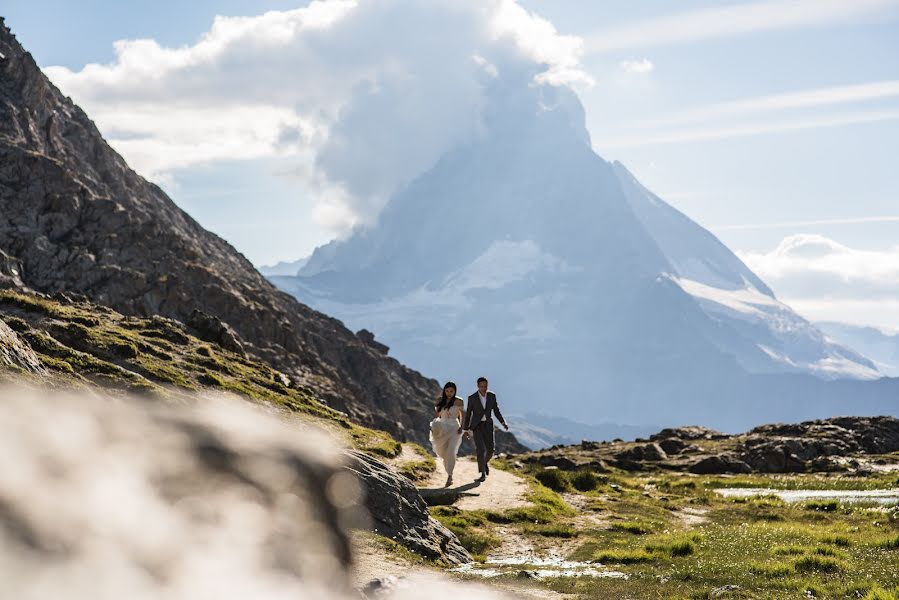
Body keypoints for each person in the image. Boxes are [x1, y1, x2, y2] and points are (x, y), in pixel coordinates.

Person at [463, 376, 509, 483]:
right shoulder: (472, 398)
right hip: (477, 426)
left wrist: (503, 422)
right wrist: (466, 429)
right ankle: (482, 473)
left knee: (490, 450)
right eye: (481, 386)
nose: (483, 388)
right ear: (478, 386)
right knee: (480, 449)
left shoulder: (492, 396)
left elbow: (496, 411)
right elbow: (469, 414)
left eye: (485, 386)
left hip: (488, 425)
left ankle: (484, 463)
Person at [429, 381, 465, 487]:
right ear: (444, 391)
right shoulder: (440, 400)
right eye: (447, 391)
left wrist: (462, 427)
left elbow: (462, 415)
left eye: (451, 391)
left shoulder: (459, 401)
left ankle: (450, 476)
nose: (449, 393)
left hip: (455, 428)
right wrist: (435, 427)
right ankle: (448, 472)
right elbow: (438, 416)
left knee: (451, 451)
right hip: (443, 427)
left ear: (455, 391)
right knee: (444, 453)